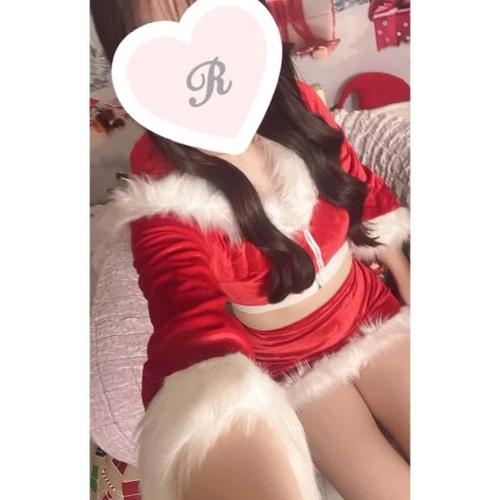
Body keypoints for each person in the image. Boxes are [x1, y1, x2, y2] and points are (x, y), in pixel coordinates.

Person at [91, 1, 411, 499]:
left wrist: (401, 272)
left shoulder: (299, 108)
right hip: (295, 366)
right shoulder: (163, 195)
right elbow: (181, 306)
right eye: (166, 46)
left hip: (370, 309)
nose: (202, 65)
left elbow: (355, 178)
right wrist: (208, 400)